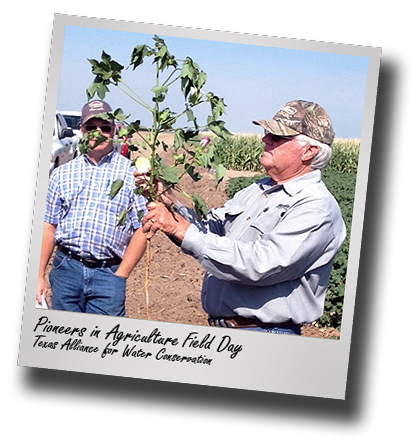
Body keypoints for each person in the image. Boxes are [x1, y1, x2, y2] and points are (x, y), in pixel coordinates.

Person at [137, 100, 346, 335]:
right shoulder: (257, 189)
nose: (264, 139)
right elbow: (209, 229)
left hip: (267, 333)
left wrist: (182, 231)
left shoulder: (316, 207)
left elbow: (260, 265)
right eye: (267, 133)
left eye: (276, 137)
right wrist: (168, 200)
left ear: (309, 151)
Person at [37, 100, 148, 316]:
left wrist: (121, 275)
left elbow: (142, 230)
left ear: (114, 131)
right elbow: (48, 226)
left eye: (105, 128)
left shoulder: (133, 175)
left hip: (109, 275)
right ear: (82, 130)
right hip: (66, 270)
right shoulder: (62, 174)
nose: (98, 133)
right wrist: (39, 275)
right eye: (91, 128)